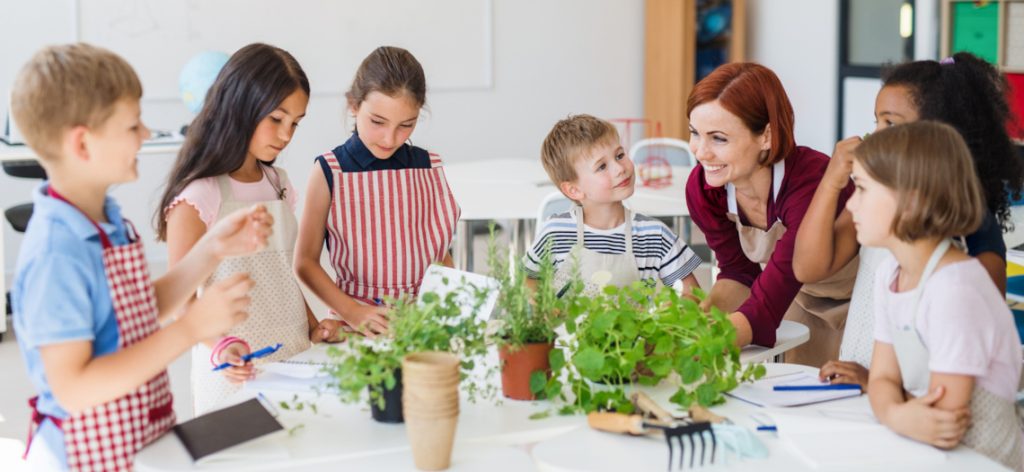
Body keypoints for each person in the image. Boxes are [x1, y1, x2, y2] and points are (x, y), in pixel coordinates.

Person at [11, 43, 270, 470]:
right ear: (82, 143)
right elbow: (74, 387)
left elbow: (136, 310)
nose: (147, 134)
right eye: (133, 125)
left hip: (138, 439)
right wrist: (190, 329)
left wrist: (213, 247)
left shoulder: (106, 219)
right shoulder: (57, 252)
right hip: (88, 456)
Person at [796, 52, 1024, 388]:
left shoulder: (972, 229)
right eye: (875, 122)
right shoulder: (878, 207)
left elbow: (973, 351)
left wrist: (879, 383)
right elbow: (807, 268)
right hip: (867, 391)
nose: (874, 136)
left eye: (890, 124)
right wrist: (831, 181)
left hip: (921, 400)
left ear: (937, 137)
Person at [156, 43, 342, 414]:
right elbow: (180, 303)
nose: (286, 134)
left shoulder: (280, 183)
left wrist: (312, 325)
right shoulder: (198, 195)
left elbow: (281, 275)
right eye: (276, 118)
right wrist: (222, 347)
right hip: (231, 370)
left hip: (294, 360)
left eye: (295, 122)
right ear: (239, 105)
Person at [850, 121, 1022, 470]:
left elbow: (945, 423)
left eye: (862, 190)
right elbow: (881, 381)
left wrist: (893, 411)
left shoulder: (954, 290)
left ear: (912, 201)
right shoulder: (889, 275)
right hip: (928, 450)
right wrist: (896, 414)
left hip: (981, 460)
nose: (851, 205)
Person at [685, 62, 857, 366]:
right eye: (695, 133)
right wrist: (696, 321)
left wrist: (686, 347)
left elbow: (763, 310)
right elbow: (740, 275)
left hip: (860, 299)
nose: (701, 152)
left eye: (718, 138)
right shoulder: (705, 190)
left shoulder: (810, 182)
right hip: (797, 297)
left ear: (766, 135)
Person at [295, 46, 460, 337]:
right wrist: (353, 312)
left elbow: (439, 251)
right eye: (377, 122)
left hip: (424, 320)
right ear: (354, 105)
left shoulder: (430, 167)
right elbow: (305, 262)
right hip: (354, 318)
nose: (390, 138)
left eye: (406, 125)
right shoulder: (330, 170)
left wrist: (454, 304)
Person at [525, 114, 701, 296]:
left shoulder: (655, 235)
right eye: (602, 167)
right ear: (574, 190)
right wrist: (545, 307)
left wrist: (673, 307)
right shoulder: (555, 232)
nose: (620, 168)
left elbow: (692, 294)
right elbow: (528, 279)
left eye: (619, 155)